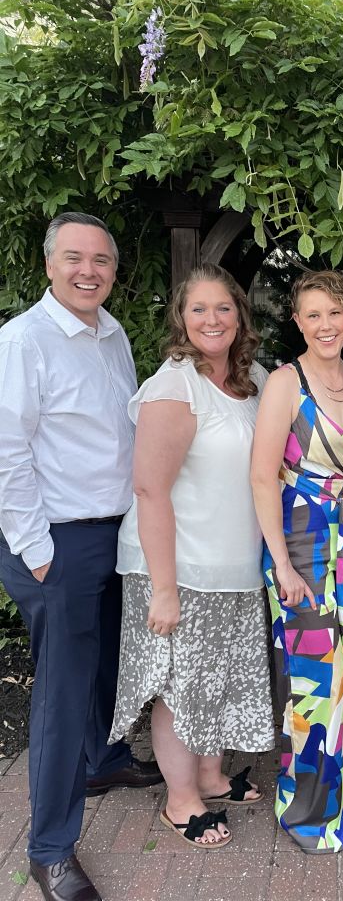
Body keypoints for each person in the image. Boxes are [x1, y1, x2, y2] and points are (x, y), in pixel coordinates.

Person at [0, 213, 162, 901]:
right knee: (63, 694)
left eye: (100, 261)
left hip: (112, 531)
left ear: (114, 271)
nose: (88, 271)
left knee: (106, 663)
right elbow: (6, 451)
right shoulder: (23, 341)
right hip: (56, 540)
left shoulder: (111, 332)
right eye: (74, 258)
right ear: (49, 265)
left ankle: (103, 760)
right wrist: (38, 551)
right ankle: (50, 850)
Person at [109, 263, 274, 849]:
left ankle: (210, 776)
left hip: (234, 564)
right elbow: (149, 490)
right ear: (181, 318)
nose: (212, 319)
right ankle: (181, 801)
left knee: (218, 677)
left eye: (223, 307)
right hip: (179, 567)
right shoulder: (174, 386)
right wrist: (164, 588)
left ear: (240, 315)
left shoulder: (254, 379)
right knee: (182, 686)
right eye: (198, 308)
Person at [250, 270, 343, 854]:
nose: (326, 325)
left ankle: (324, 801)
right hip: (300, 544)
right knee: (311, 682)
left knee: (337, 673)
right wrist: (282, 563)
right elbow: (260, 477)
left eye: (336, 312)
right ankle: (307, 815)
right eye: (314, 314)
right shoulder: (284, 383)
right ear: (297, 321)